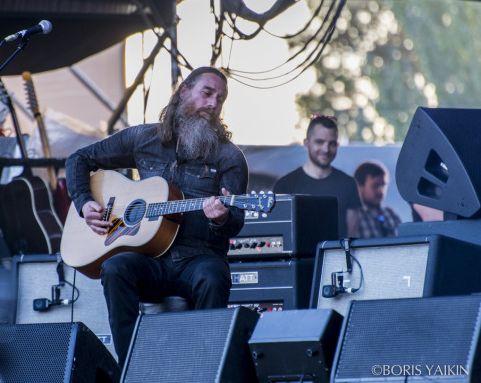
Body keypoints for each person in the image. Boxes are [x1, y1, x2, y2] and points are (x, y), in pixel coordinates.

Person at [65, 67, 248, 366]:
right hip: (149, 259)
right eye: (207, 93)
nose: (213, 103)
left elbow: (236, 222)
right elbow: (79, 159)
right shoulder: (143, 138)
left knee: (213, 277)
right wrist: (85, 203)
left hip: (198, 258)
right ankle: (131, 367)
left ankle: (204, 368)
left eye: (220, 98)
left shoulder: (229, 157)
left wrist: (220, 218)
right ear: (183, 91)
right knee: (114, 268)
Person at [273, 114, 361, 238]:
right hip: (297, 258)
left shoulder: (348, 184)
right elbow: (279, 234)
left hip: (337, 257)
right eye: (320, 142)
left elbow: (351, 239)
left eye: (332, 143)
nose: (326, 149)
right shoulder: (285, 185)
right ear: (306, 144)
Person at [353, 160, 402, 238]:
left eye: (383, 185)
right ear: (359, 187)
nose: (380, 191)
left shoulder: (391, 215)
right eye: (375, 186)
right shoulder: (352, 217)